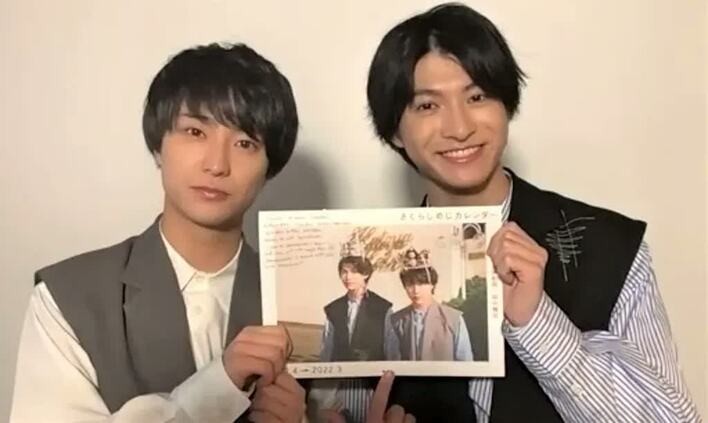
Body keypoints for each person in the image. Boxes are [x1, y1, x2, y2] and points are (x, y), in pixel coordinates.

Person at [326, 2, 700, 422]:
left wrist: (536, 320)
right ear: (394, 130)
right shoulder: (375, 274)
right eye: (427, 106)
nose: (459, 128)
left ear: (506, 105)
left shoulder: (609, 247)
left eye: (477, 97)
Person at [10, 42, 306, 423]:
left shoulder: (301, 300)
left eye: (244, 143)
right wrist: (218, 386)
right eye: (195, 131)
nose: (217, 164)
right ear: (158, 146)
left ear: (269, 168)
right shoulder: (68, 297)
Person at [392, 248, 473, 361]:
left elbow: (465, 362)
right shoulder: (397, 321)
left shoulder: (453, 319)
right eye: (410, 284)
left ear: (432, 285)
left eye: (421, 284)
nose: (416, 290)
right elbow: (393, 361)